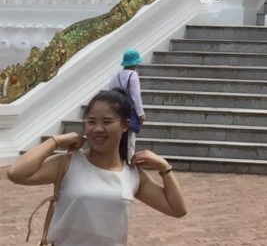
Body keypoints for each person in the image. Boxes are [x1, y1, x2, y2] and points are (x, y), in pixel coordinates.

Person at [7, 87, 186, 243]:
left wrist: (165, 168)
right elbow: (16, 173)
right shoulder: (69, 163)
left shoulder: (132, 174)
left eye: (107, 122)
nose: (98, 128)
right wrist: (56, 141)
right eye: (91, 122)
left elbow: (177, 209)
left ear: (125, 125)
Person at [109, 49, 146, 159]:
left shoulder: (116, 75)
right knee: (130, 138)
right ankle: (129, 161)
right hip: (128, 110)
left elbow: (110, 92)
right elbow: (136, 96)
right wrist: (140, 113)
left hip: (116, 109)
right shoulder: (133, 75)